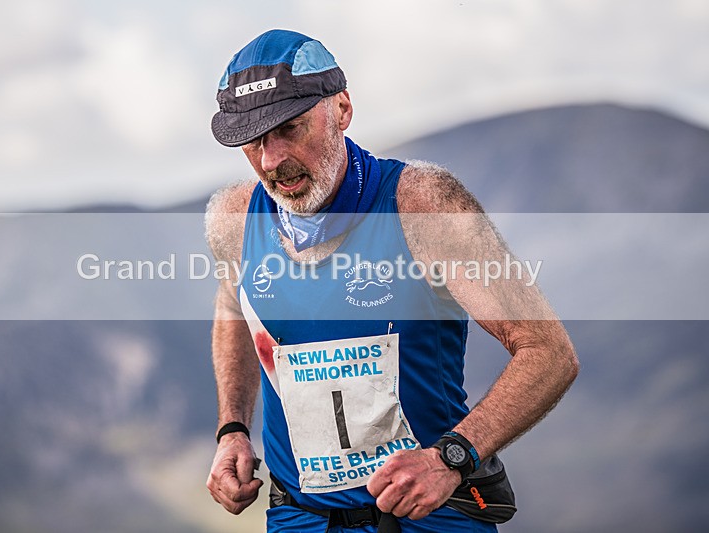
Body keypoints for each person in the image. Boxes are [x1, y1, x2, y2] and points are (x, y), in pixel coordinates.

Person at [205, 29, 579, 533]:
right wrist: (232, 428)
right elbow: (235, 308)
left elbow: (549, 353)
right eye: (253, 141)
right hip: (300, 518)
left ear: (342, 109)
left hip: (430, 517)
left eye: (290, 128)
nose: (271, 160)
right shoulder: (236, 217)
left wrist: (451, 457)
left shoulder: (422, 205)